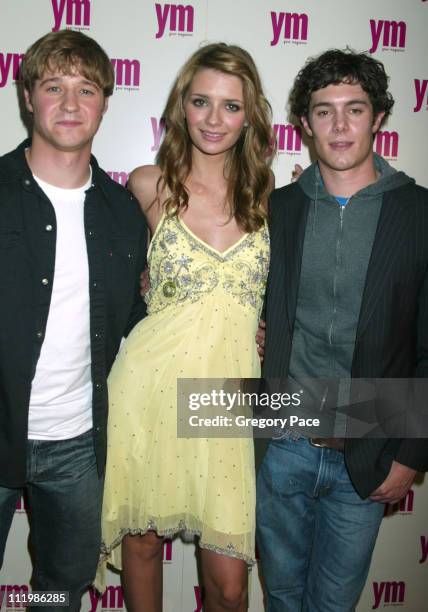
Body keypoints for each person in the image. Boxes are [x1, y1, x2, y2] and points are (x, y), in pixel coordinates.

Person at [97, 43, 273, 611]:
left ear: (250, 116)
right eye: (201, 102)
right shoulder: (149, 184)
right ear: (181, 107)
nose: (214, 119)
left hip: (226, 401)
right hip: (148, 389)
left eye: (230, 106)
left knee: (228, 586)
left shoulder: (272, 196)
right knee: (142, 547)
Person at [256, 49, 428, 611]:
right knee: (281, 596)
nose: (339, 125)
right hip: (283, 443)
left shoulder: (418, 213)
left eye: (354, 109)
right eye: (324, 111)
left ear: (379, 118)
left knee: (334, 604)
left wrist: (412, 454)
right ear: (304, 124)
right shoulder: (277, 208)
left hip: (370, 447)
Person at [0, 30, 147, 611]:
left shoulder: (123, 214)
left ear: (105, 103)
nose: (69, 103)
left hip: (79, 447)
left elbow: (138, 321)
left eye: (85, 89)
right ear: (28, 97)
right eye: (53, 86)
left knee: (58, 594)